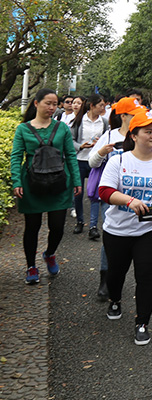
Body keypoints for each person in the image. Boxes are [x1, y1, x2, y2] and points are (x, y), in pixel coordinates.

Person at [98, 110, 152, 345]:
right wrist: (129, 201)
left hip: (150, 230)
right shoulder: (119, 161)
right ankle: (115, 300)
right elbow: (105, 191)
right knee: (116, 273)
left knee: (146, 274)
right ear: (134, 135)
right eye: (148, 131)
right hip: (118, 230)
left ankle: (142, 323)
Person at [11, 88, 81, 284]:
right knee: (32, 227)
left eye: (54, 104)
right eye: (47, 103)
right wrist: (16, 181)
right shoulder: (23, 129)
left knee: (57, 227)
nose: (52, 107)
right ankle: (31, 267)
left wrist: (76, 181)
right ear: (36, 103)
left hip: (59, 182)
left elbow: (71, 155)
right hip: (32, 184)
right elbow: (16, 157)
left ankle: (49, 253)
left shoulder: (62, 128)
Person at [88, 97, 145, 298]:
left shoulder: (141, 135)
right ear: (123, 116)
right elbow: (92, 163)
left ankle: (139, 280)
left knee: (141, 238)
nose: (138, 117)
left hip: (140, 195)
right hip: (112, 196)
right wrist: (101, 152)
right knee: (111, 237)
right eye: (134, 114)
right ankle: (106, 278)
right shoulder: (109, 136)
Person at [70, 93, 108, 234]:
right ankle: (80, 221)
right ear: (92, 106)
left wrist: (100, 144)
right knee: (78, 192)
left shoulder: (104, 122)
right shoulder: (79, 121)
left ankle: (93, 226)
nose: (103, 108)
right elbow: (71, 140)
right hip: (80, 160)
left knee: (95, 194)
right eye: (101, 105)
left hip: (96, 162)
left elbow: (107, 139)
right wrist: (80, 146)